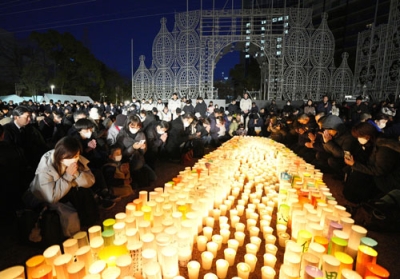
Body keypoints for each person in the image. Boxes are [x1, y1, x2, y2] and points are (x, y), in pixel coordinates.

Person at [23, 136, 99, 237]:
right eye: (73, 157)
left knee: (84, 193)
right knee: (69, 214)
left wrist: (76, 174)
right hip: (41, 198)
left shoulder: (72, 157)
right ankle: (71, 236)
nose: (75, 159)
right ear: (62, 156)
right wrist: (68, 177)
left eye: (77, 156)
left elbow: (90, 181)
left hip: (64, 191)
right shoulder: (47, 167)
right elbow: (51, 197)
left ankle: (89, 219)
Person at [343, 122, 400, 203]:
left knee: (357, 178)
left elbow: (379, 171)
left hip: (387, 179)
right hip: (376, 171)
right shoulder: (373, 143)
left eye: (359, 136)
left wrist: (355, 165)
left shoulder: (384, 149)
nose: (358, 139)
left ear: (367, 136)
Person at [116, 114, 157, 188]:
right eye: (133, 126)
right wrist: (133, 147)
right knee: (140, 175)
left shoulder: (141, 134)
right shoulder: (122, 136)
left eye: (138, 127)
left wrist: (143, 148)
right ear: (128, 125)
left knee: (153, 177)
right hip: (127, 162)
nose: (135, 129)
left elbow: (143, 152)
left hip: (139, 160)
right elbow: (121, 154)